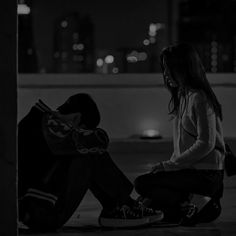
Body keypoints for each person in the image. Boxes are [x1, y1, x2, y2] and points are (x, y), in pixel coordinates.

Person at [18, 93, 163, 232]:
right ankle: (119, 206)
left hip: (34, 209)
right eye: (83, 129)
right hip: (39, 212)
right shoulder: (48, 124)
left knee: (86, 151)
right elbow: (95, 140)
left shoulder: (43, 124)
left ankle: (121, 205)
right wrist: (94, 136)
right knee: (88, 154)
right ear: (76, 119)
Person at [134, 43, 225, 225]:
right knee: (149, 194)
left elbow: (206, 143)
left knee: (142, 184)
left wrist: (170, 166)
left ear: (184, 69)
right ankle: (195, 204)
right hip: (191, 172)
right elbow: (181, 146)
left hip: (206, 176)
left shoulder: (199, 98)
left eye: (169, 69)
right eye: (164, 70)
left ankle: (194, 202)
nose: (166, 75)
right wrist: (170, 167)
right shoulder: (183, 95)